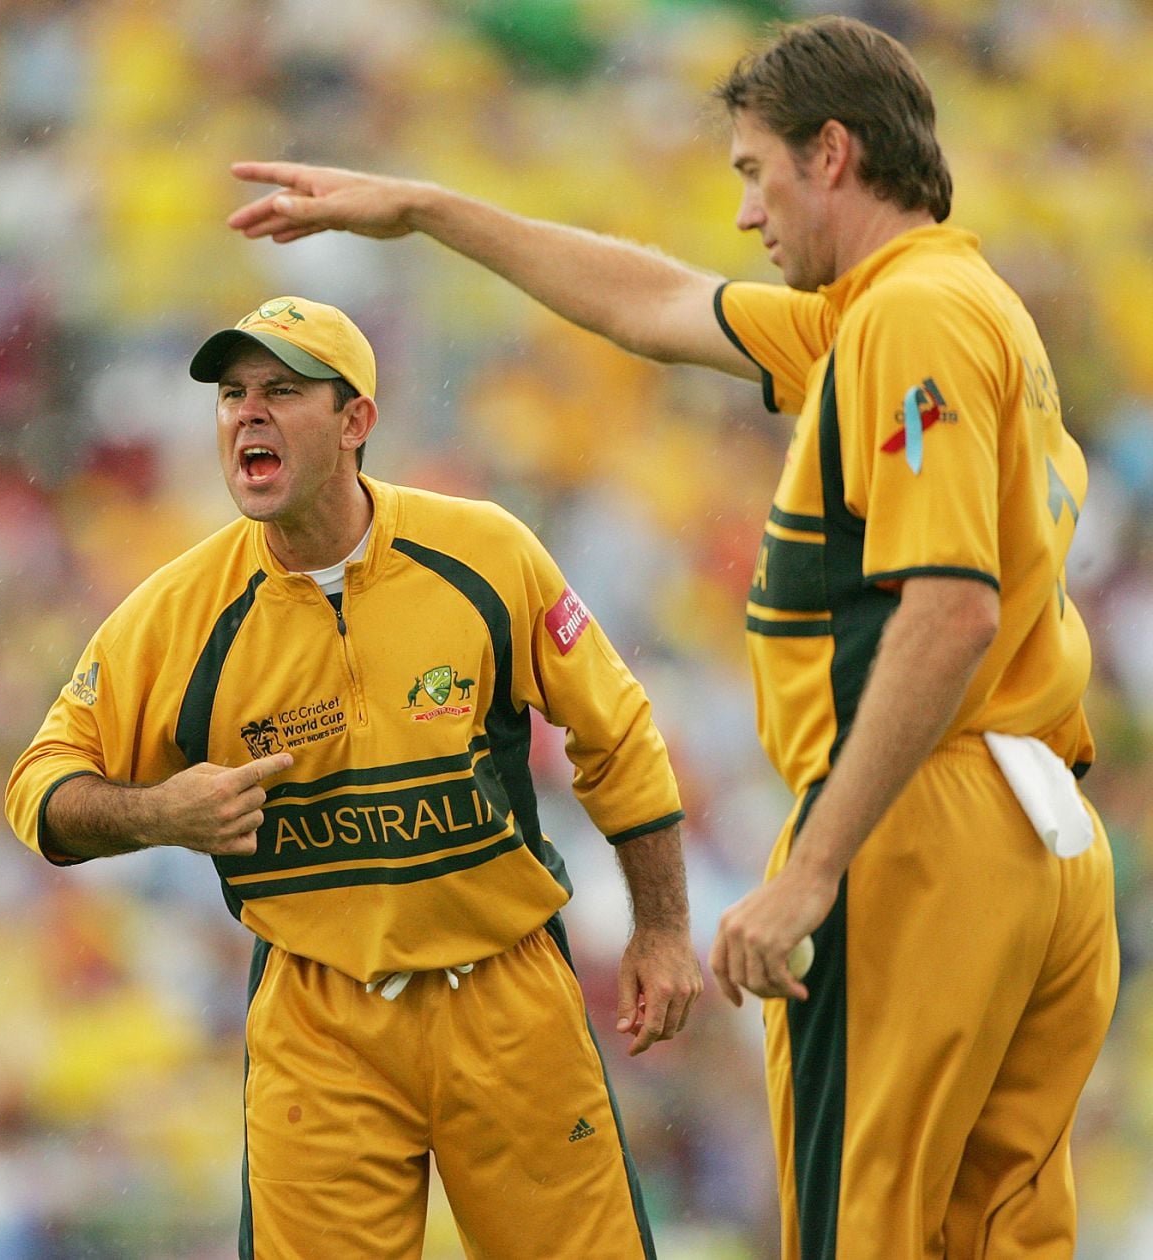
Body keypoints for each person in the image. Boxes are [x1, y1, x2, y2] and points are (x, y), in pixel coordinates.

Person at [221, 15, 1120, 1259]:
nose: (748, 215)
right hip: (1044, 830)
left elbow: (951, 607)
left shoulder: (904, 319)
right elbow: (652, 302)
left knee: (865, 1227)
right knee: (998, 1230)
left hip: (930, 828)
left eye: (755, 172)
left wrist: (813, 869)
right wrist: (430, 210)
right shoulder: (938, 306)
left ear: (834, 154)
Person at [5, 295, 702, 1259]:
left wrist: (662, 931)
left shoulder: (485, 552)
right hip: (317, 1016)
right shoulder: (176, 613)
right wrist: (160, 812)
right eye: (233, 394)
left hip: (506, 994)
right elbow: (39, 789)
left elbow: (618, 732)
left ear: (355, 421)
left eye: (282, 391)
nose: (247, 413)